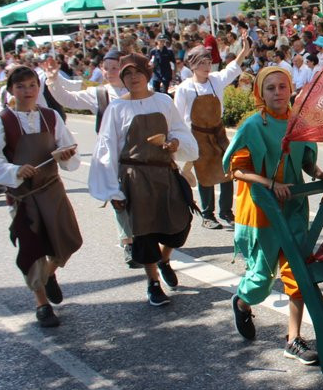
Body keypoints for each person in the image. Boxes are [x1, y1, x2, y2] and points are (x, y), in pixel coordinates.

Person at [225, 67, 323, 363]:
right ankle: (242, 302)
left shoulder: (300, 123)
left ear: (290, 89)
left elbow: (308, 163)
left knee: (297, 273)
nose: (277, 92)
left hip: (294, 207)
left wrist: (320, 172)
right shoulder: (252, 126)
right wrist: (270, 184)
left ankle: (294, 339)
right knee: (261, 278)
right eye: (271, 87)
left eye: (282, 86)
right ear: (261, 92)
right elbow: (237, 169)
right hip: (262, 210)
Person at [0, 67, 82, 327]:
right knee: (33, 248)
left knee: (69, 240)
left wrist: (66, 155)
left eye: (32, 85)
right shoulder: (3, 121)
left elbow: (68, 149)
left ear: (39, 88)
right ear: (11, 90)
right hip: (23, 195)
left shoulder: (50, 116)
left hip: (52, 189)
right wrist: (14, 170)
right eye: (21, 86)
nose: (27, 91)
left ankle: (48, 274)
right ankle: (42, 303)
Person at [90, 54, 199, 307]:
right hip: (135, 177)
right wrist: (112, 190)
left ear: (147, 74)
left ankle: (164, 259)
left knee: (180, 224)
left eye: (137, 72)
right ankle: (153, 283)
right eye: (127, 73)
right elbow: (107, 148)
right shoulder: (117, 108)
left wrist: (175, 143)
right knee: (144, 233)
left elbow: (178, 130)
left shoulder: (162, 101)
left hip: (164, 172)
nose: (133, 77)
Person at [43, 49, 139, 266]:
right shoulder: (100, 94)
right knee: (119, 199)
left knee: (141, 196)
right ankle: (128, 243)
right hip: (112, 157)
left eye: (115, 68)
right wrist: (53, 79)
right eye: (107, 68)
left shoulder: (138, 90)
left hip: (139, 154)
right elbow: (67, 99)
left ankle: (144, 235)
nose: (110, 72)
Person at [173, 43, 249, 230]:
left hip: (219, 133)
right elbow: (176, 117)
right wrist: (181, 141)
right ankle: (207, 214)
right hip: (197, 136)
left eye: (208, 62)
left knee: (227, 172)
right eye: (202, 63)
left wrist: (244, 50)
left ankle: (226, 212)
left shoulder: (216, 80)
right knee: (205, 174)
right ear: (192, 66)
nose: (207, 67)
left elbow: (233, 68)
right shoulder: (185, 88)